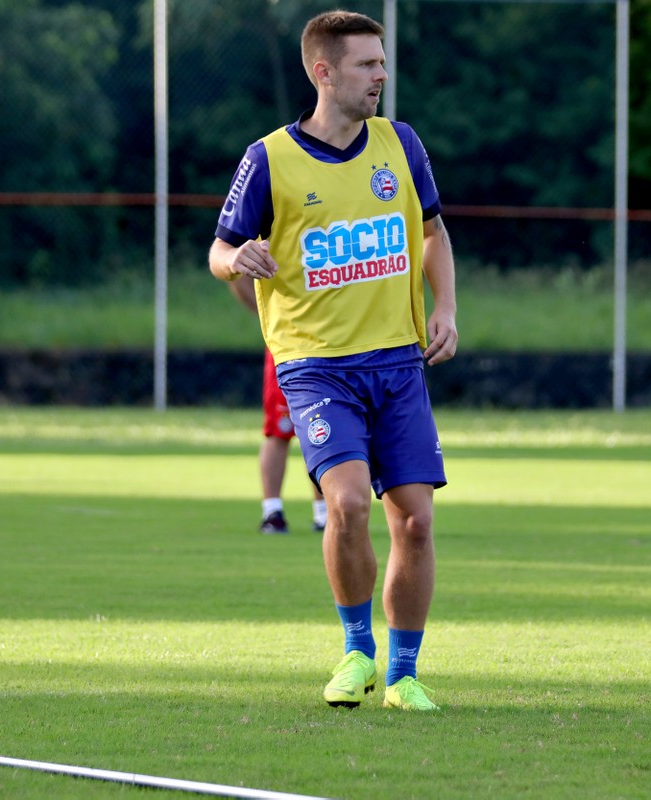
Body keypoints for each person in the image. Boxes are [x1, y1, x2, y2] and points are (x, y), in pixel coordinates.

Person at [207, 10, 458, 712]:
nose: (381, 75)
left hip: (398, 364)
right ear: (324, 71)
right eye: (366, 64)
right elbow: (218, 250)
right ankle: (357, 654)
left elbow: (434, 234)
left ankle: (404, 675)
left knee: (415, 520)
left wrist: (445, 310)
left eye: (382, 62)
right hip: (315, 366)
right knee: (346, 504)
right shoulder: (268, 159)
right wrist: (238, 259)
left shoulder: (400, 145)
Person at [226, 278, 328, 535]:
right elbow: (234, 270)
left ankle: (326, 512)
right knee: (279, 429)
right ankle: (272, 510)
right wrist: (267, 313)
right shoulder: (273, 238)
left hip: (331, 343)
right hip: (288, 345)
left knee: (326, 427)